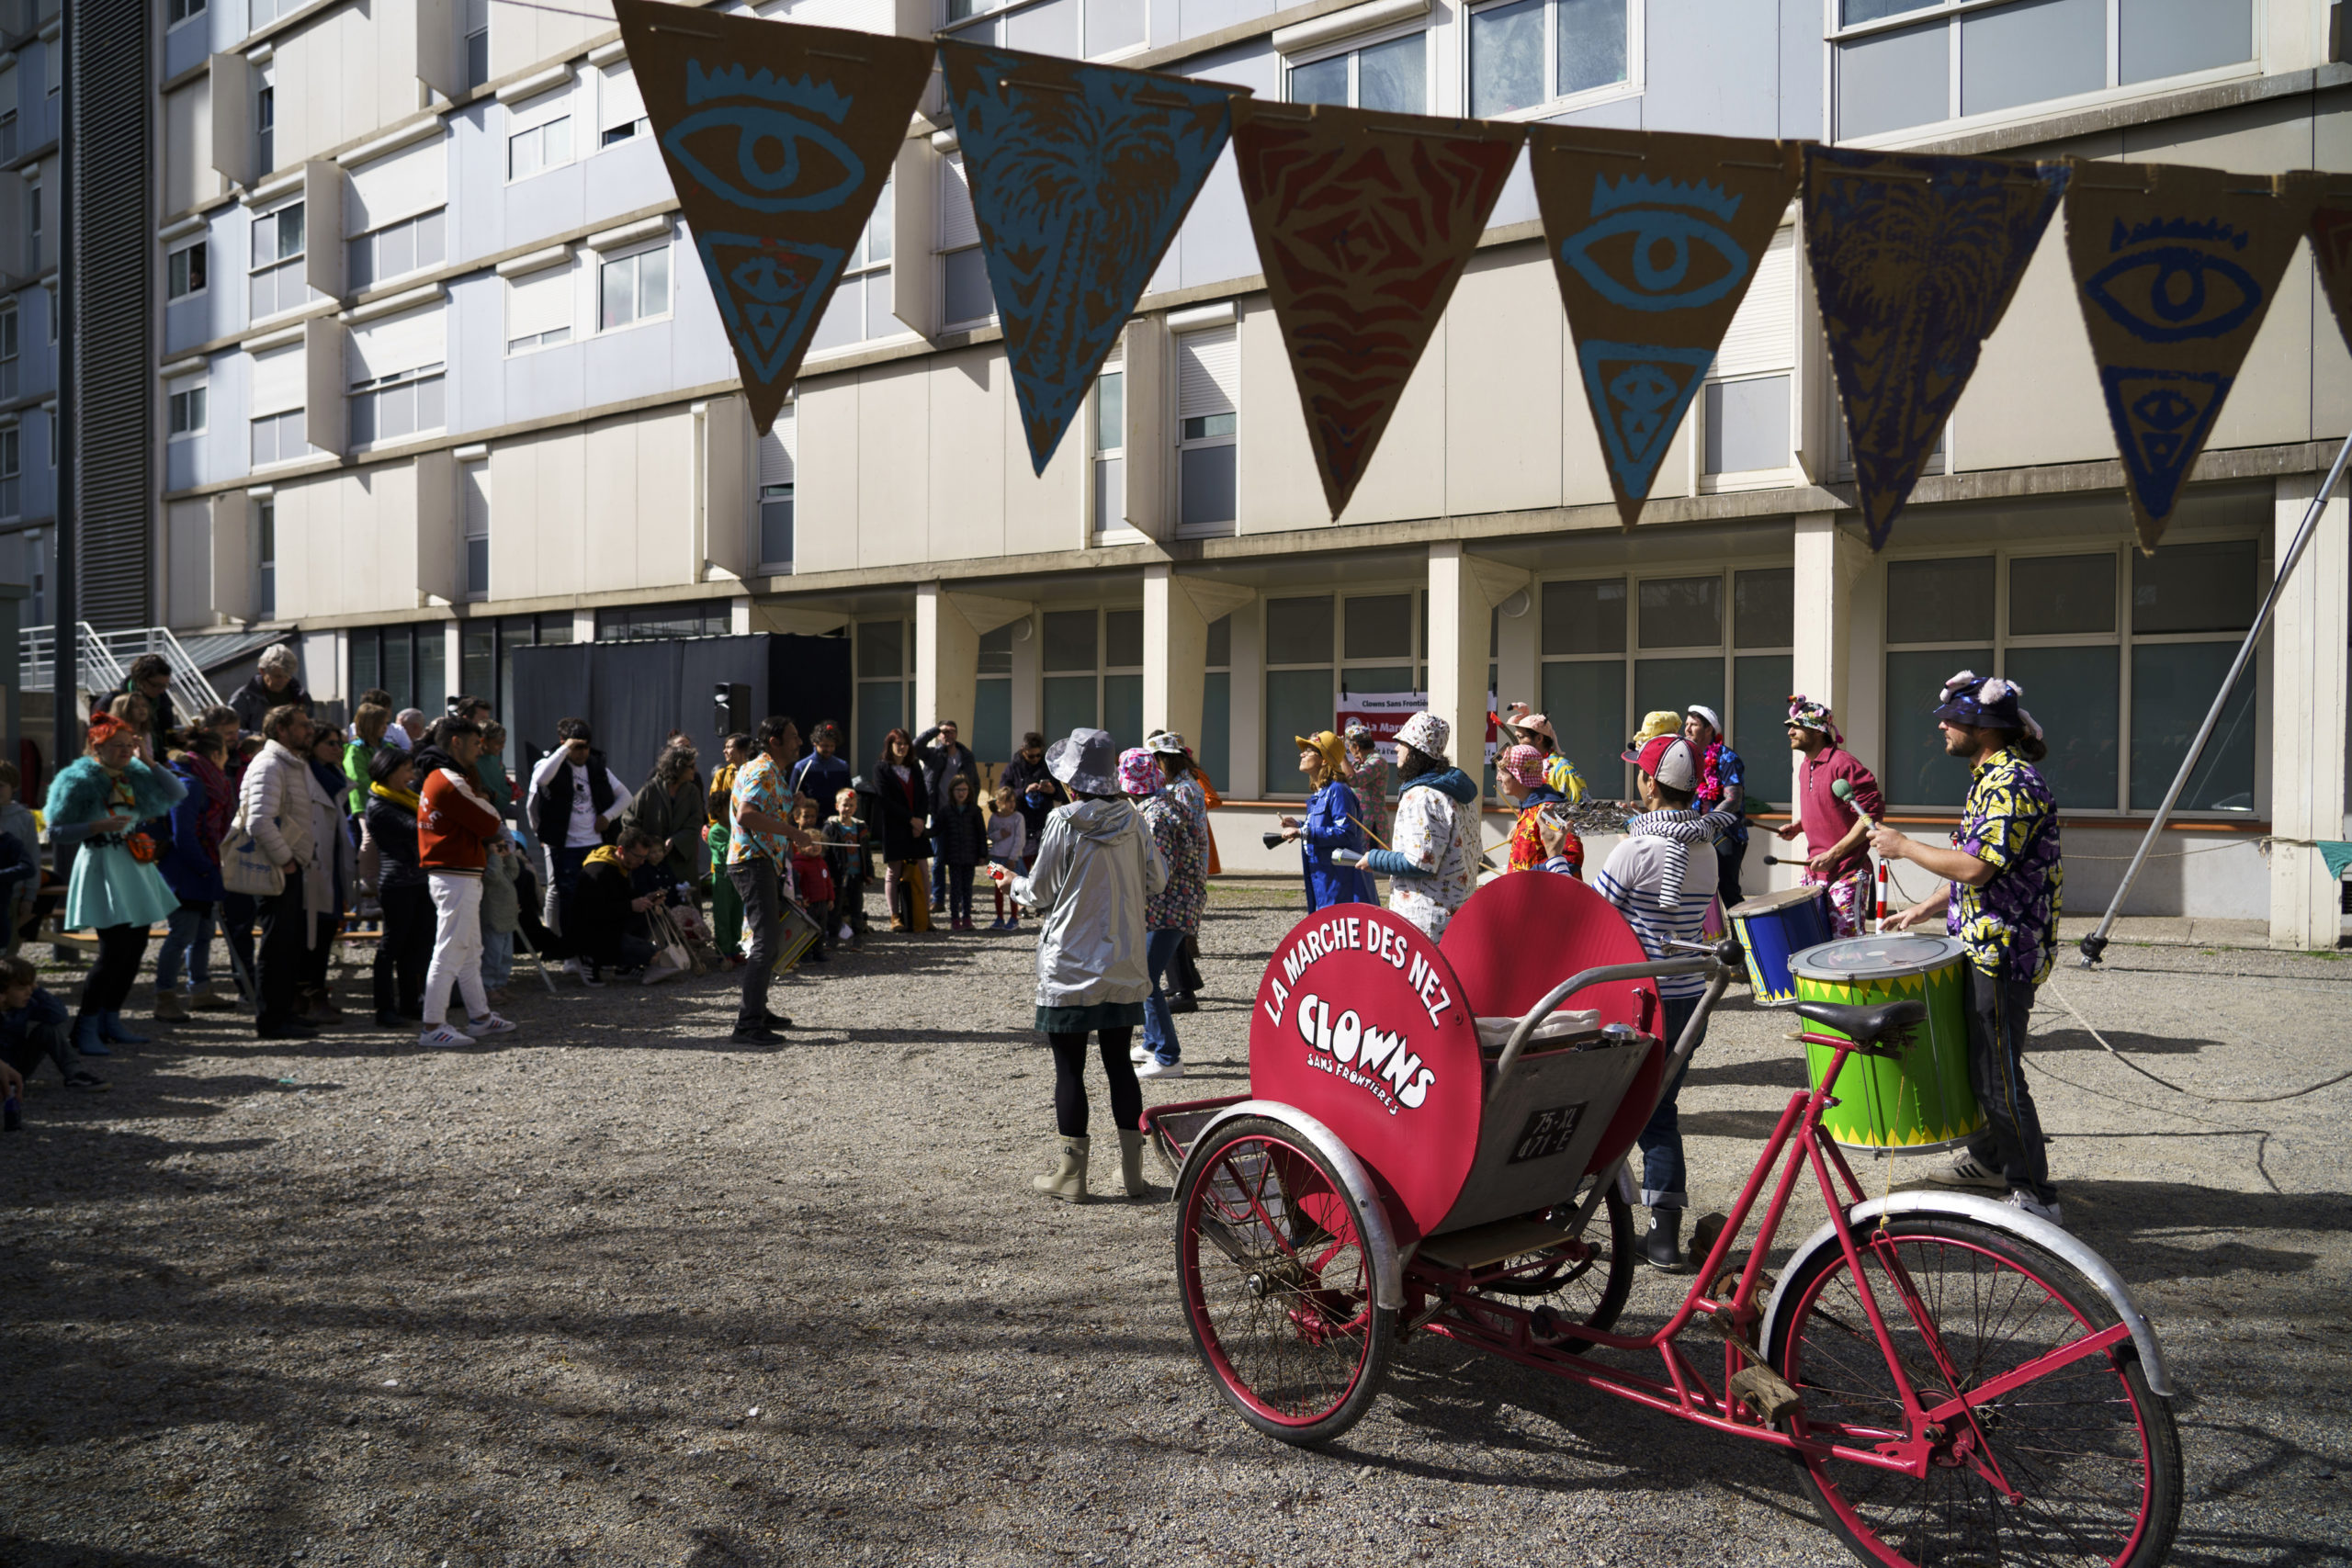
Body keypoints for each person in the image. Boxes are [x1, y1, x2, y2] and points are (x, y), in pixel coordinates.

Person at [1873, 671, 2065, 1225]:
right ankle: (1989, 1160)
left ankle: (2036, 1195)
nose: (1941, 726)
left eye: (1951, 719)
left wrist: (1903, 845)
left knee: (1999, 1076)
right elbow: (1975, 865)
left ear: (1981, 727)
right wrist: (1928, 908)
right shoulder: (1990, 777)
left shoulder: (2013, 783)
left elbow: (1978, 868)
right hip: (1981, 943)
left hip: (2004, 952)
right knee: (1978, 1065)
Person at [989, 728, 1166, 1203]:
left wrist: (1010, 882)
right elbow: (1158, 879)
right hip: (1122, 960)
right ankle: (1131, 1174)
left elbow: (1041, 891)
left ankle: (1072, 1175)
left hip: (1069, 962)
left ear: (1071, 782)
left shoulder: (1062, 820)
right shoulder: (1134, 819)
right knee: (1120, 1066)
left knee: (1069, 1069)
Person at [1591, 733, 1743, 1271]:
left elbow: (1600, 918)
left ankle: (1570, 1208)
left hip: (1640, 999)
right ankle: (1661, 1232)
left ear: (1649, 783)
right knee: (1661, 1112)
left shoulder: (1636, 847)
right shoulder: (1703, 848)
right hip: (1688, 997)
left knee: (1608, 1110)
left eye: (1640, 771)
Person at [46, 714, 187, 1054]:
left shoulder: (135, 774)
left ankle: (111, 1021)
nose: (125, 751)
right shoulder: (77, 779)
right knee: (113, 952)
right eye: (117, 746)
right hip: (102, 863)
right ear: (98, 746)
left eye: (130, 745)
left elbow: (176, 792)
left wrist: (150, 761)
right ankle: (85, 1027)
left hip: (132, 864)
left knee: (135, 949)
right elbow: (55, 830)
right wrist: (96, 826)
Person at [416, 717, 514, 1047]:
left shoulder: (440, 777)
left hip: (457, 872)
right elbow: (490, 821)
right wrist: (485, 801)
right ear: (456, 742)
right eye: (475, 743)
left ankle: (480, 1018)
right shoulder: (448, 780)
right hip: (455, 873)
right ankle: (432, 1025)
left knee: (469, 950)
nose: (479, 749)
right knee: (451, 949)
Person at [238, 705, 323, 1040]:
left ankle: (283, 1011)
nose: (308, 730)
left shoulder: (288, 763)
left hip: (289, 865)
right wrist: (285, 858)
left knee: (288, 943)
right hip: (276, 868)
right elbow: (258, 819)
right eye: (302, 725)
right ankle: (271, 1020)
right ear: (282, 730)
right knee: (276, 945)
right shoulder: (270, 764)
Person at [1122, 748, 1204, 1082]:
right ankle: (1153, 1041)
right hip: (1174, 903)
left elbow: (1158, 872)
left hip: (1170, 906)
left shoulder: (1154, 815)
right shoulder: (1160, 804)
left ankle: (1169, 1057)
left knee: (1145, 977)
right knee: (1145, 973)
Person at [1361, 713, 1478, 940]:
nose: (1396, 749)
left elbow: (1421, 862)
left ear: (1416, 750)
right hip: (1456, 917)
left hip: (1425, 922)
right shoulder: (1460, 796)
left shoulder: (1422, 796)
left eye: (1402, 744)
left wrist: (1373, 859)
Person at [725, 715, 806, 1043]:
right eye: (794, 735)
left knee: (767, 942)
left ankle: (758, 1008)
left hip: (759, 861)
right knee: (765, 942)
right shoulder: (762, 769)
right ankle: (748, 1024)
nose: (799, 741)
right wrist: (792, 831)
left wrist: (791, 806)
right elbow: (747, 814)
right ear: (774, 741)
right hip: (752, 861)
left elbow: (764, 811)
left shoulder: (771, 771)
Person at [1775, 695, 1884, 938]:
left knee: (1847, 950)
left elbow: (1871, 814)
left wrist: (1834, 853)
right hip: (1815, 872)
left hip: (1847, 872)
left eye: (1797, 726)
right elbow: (1828, 807)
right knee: (1813, 943)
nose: (1790, 732)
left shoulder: (1843, 764)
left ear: (1817, 731)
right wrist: (1799, 826)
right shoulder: (1805, 765)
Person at [153, 728, 235, 1021]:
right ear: (215, 755)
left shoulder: (204, 781)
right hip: (185, 872)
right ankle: (164, 997)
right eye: (226, 753)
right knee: (181, 935)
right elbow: (183, 833)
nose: (228, 759)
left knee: (202, 933)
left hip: (202, 868)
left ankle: (200, 990)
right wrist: (203, 867)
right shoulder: (190, 783)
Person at [526, 718, 630, 940]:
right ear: (564, 743)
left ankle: (592, 947)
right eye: (577, 747)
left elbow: (626, 796)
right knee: (567, 898)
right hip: (565, 846)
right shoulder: (550, 764)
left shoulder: (596, 765)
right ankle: (570, 951)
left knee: (596, 898)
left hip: (594, 844)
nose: (582, 753)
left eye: (586, 746)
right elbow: (542, 781)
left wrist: (608, 816)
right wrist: (564, 750)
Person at [1145, 731, 1213, 1012]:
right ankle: (1185, 984)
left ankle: (1182, 991)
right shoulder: (1185, 784)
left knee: (1168, 926)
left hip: (1182, 866)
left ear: (1166, 760)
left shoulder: (1181, 789)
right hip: (1187, 864)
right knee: (1174, 931)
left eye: (1155, 761)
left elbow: (1178, 829)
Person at [364, 749, 430, 1029]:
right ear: (390, 772)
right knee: (391, 947)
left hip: (418, 881)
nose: (411, 776)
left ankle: (409, 1002)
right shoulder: (379, 805)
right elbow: (416, 827)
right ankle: (384, 1007)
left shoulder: (406, 798)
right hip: (397, 884)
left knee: (414, 947)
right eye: (406, 770)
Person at [299, 725, 356, 1025]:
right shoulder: (306, 776)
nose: (337, 749)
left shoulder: (335, 778)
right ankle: (309, 998)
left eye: (340, 744)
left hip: (330, 864)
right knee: (312, 936)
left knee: (325, 933)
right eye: (330, 743)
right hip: (313, 863)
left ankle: (317, 995)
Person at [1277, 730, 1372, 910]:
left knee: (1340, 931)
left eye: (1310, 751)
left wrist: (1303, 832)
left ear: (1325, 760)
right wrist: (1299, 825)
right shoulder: (1322, 793)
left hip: (1339, 881)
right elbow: (1326, 827)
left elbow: (1346, 832)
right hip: (1323, 877)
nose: (1302, 754)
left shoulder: (1338, 791)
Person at [572, 826, 668, 982]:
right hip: (593, 933)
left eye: (644, 858)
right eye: (638, 857)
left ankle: (624, 966)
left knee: (649, 912)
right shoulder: (598, 871)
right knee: (653, 954)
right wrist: (630, 906)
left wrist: (647, 899)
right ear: (622, 850)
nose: (642, 862)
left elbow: (623, 897)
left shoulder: (621, 867)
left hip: (612, 925)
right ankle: (590, 959)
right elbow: (594, 913)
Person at [0, 954, 107, 1092]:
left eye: (30, 986)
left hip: (16, 1069)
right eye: (21, 988)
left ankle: (75, 1074)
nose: (29, 992)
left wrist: (38, 990)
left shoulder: (26, 1005)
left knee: (48, 1030)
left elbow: (58, 1015)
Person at [622, 736, 707, 890]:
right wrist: (646, 846)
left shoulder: (692, 791)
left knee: (683, 906)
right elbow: (629, 820)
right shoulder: (651, 789)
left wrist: (675, 841)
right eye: (691, 765)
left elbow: (696, 821)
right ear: (679, 768)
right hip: (652, 863)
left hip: (681, 862)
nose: (695, 769)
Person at [1685, 705, 1748, 909]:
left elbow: (1733, 799)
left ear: (1709, 729)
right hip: (1695, 833)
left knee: (1729, 892)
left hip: (1724, 834)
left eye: (1693, 725)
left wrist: (1707, 822)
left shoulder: (1727, 757)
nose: (1686, 729)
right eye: (1686, 724)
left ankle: (1743, 941)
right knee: (1696, 891)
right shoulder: (1687, 758)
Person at [915, 720, 980, 915]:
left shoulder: (966, 756)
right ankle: (938, 899)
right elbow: (915, 747)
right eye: (944, 732)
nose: (947, 736)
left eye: (951, 732)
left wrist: (971, 807)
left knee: (960, 860)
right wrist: (934, 730)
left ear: (957, 734)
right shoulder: (933, 754)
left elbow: (974, 783)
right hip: (939, 814)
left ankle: (960, 900)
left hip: (961, 815)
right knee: (938, 860)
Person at [872, 728, 932, 933]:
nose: (903, 747)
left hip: (917, 827)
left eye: (905, 744)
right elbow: (885, 800)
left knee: (924, 869)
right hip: (895, 826)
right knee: (893, 871)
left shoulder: (914, 767)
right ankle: (895, 915)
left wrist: (921, 821)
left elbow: (923, 796)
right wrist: (911, 820)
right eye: (898, 744)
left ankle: (925, 914)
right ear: (890, 746)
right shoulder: (882, 769)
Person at [1498, 742, 1583, 876]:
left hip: (1547, 894)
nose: (1498, 778)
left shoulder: (1549, 810)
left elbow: (1572, 857)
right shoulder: (1528, 808)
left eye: (1502, 774)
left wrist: (1531, 875)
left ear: (1519, 775)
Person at [706, 732, 752, 966]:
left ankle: (735, 947)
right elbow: (715, 802)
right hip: (724, 869)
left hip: (741, 858)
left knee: (737, 910)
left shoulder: (754, 770)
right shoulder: (723, 775)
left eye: (729, 747)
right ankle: (724, 949)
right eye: (724, 747)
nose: (725, 751)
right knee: (722, 912)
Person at [1001, 731, 1064, 871]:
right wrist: (1024, 791)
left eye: (1038, 755)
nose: (1035, 758)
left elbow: (1065, 795)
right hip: (1021, 824)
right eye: (1031, 756)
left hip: (1044, 825)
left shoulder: (1048, 767)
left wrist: (1052, 791)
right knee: (1022, 872)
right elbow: (1002, 793)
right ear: (1023, 750)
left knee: (1044, 871)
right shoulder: (1013, 768)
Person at [933, 773, 989, 931]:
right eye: (958, 789)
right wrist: (921, 830)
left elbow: (980, 834)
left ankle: (967, 918)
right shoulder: (946, 811)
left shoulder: (975, 811)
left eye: (964, 789)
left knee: (968, 889)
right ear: (952, 791)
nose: (961, 793)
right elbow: (936, 830)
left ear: (969, 791)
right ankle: (955, 919)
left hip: (970, 857)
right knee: (955, 889)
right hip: (953, 857)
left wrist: (982, 854)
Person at [822, 786, 871, 950]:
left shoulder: (860, 828)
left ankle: (857, 939)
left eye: (851, 805)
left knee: (856, 906)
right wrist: (828, 875)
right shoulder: (830, 827)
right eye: (844, 805)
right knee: (835, 907)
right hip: (838, 875)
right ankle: (832, 938)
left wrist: (869, 872)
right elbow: (826, 854)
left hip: (856, 875)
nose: (847, 809)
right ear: (837, 806)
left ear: (855, 808)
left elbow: (866, 852)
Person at [0, 761, 40, 957]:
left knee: (7, 949)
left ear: (13, 787)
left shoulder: (23, 818)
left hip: (12, 894)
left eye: (1, 786)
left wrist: (30, 896)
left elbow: (32, 858)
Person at [787, 798, 835, 962]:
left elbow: (827, 881)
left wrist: (830, 897)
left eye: (817, 844)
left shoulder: (821, 862)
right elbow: (796, 883)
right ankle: (805, 954)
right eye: (810, 844)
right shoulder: (798, 863)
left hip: (821, 902)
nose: (814, 847)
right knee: (806, 929)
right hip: (808, 903)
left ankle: (818, 952)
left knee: (820, 929)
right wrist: (800, 899)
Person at [229, 644, 311, 735]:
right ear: (262, 671)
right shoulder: (244, 697)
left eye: (287, 676)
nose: (283, 681)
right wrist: (260, 739)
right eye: (277, 676)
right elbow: (233, 732)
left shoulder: (301, 696)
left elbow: (310, 727)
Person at [480, 835, 522, 1004]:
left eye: (504, 847)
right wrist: (494, 856)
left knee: (505, 958)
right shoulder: (488, 868)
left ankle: (500, 985)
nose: (502, 850)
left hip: (507, 920)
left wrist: (509, 855)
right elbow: (492, 878)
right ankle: (487, 988)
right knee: (492, 957)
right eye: (499, 847)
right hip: (493, 920)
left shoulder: (501, 868)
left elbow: (514, 872)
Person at [1341, 723, 1391, 848]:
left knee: (1372, 861)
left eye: (1348, 747)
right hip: (1360, 819)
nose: (1349, 751)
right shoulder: (1357, 763)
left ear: (1356, 746)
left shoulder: (1377, 761)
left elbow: (1354, 780)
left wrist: (1342, 756)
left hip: (1373, 823)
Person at [119, 653, 180, 755]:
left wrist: (179, 739)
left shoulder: (163, 700)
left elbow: (166, 734)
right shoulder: (117, 701)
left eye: (165, 685)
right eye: (156, 685)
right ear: (139, 680)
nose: (161, 690)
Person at [985, 784, 1027, 931]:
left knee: (1012, 889)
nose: (1012, 804)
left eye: (1013, 801)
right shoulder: (994, 818)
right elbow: (990, 834)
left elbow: (1020, 840)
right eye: (1008, 801)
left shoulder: (1018, 817)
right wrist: (1000, 835)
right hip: (996, 858)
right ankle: (999, 917)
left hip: (1011, 859)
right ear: (999, 802)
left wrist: (1013, 857)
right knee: (997, 889)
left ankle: (1014, 917)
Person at [787, 722, 853, 815]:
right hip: (810, 819)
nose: (829, 750)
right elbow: (793, 795)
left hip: (835, 819)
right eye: (825, 746)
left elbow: (849, 793)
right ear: (815, 743)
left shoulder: (843, 766)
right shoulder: (802, 766)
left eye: (832, 746)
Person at [343, 704, 391, 815]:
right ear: (369, 725)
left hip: (388, 803)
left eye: (386, 723)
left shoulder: (389, 747)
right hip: (364, 807)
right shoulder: (355, 750)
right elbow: (357, 778)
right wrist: (386, 791)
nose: (385, 727)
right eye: (381, 724)